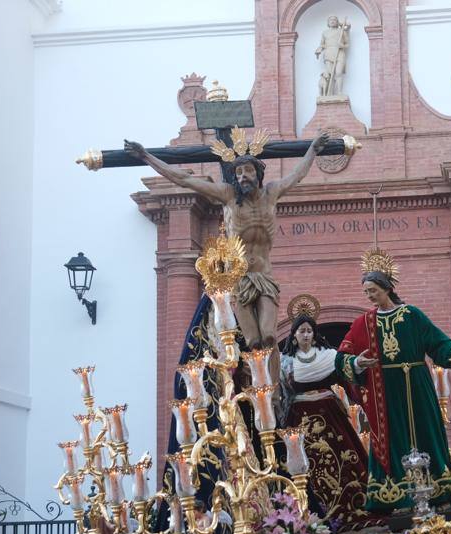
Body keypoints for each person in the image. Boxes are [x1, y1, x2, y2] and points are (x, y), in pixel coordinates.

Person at [124, 132, 331, 378]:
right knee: (254, 341)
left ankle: (275, 392)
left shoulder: (271, 193)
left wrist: (314, 150)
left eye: (248, 171)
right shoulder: (228, 196)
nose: (243, 177)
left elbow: (297, 174)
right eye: (239, 173)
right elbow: (184, 180)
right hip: (240, 280)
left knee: (269, 335)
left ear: (258, 174)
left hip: (264, 277)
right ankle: (259, 390)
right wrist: (146, 156)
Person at [334, 266, 451, 512]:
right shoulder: (363, 323)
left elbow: (439, 345)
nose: (369, 296)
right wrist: (357, 363)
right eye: (366, 292)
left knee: (427, 432)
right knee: (393, 437)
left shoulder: (412, 315)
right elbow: (341, 357)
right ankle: (399, 498)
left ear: (387, 288)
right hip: (385, 393)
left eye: (374, 290)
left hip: (418, 386)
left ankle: (439, 495)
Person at [279, 309, 376, 530]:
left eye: (309, 331)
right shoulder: (286, 363)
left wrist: (358, 363)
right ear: (293, 335)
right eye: (301, 331)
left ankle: (356, 506)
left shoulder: (328, 355)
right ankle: (316, 515)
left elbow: (346, 366)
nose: (305, 335)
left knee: (344, 459)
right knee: (308, 466)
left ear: (314, 334)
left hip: (329, 415)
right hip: (301, 419)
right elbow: (282, 394)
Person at [315, 16, 351, 97]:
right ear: (328, 22)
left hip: (339, 53)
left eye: (334, 20)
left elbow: (347, 44)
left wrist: (342, 45)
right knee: (330, 74)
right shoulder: (325, 32)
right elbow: (322, 44)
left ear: (337, 22)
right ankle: (329, 94)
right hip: (328, 53)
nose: (332, 21)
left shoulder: (342, 31)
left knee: (338, 73)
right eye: (330, 20)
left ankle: (339, 92)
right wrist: (319, 50)